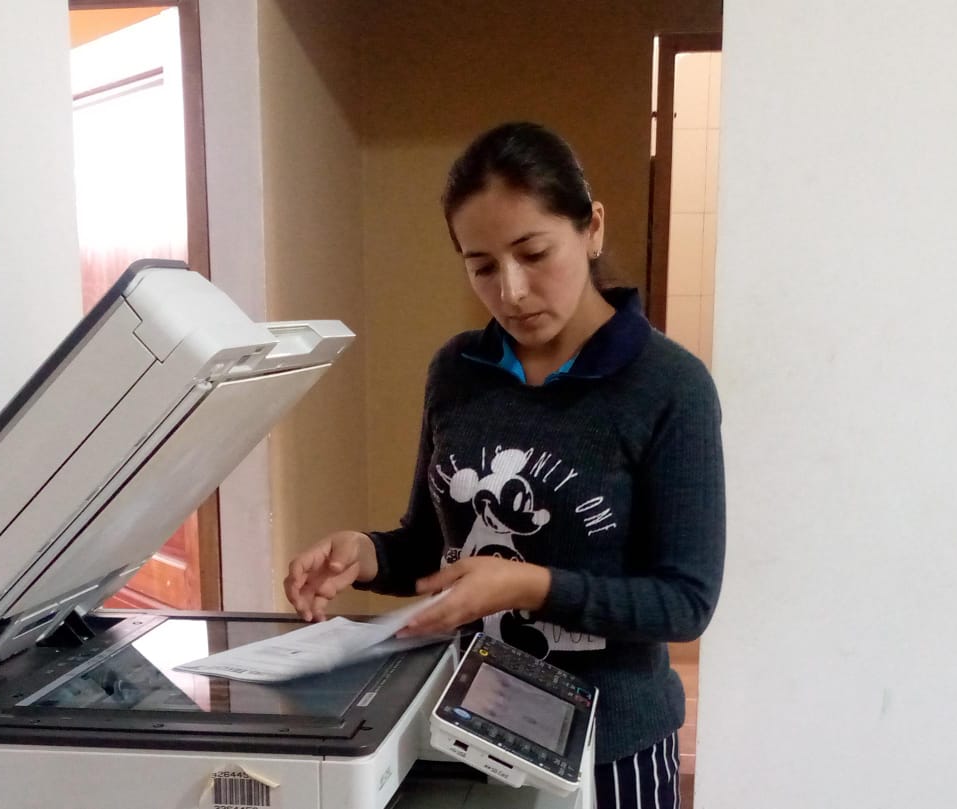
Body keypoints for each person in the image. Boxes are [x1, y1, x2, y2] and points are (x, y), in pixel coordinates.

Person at [283, 121, 724, 809]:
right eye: (483, 266)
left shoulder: (669, 385)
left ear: (592, 228)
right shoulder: (458, 371)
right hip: (464, 732)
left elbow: (685, 601)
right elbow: (433, 547)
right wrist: (365, 554)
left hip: (611, 748)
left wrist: (529, 585)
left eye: (533, 253)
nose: (512, 291)